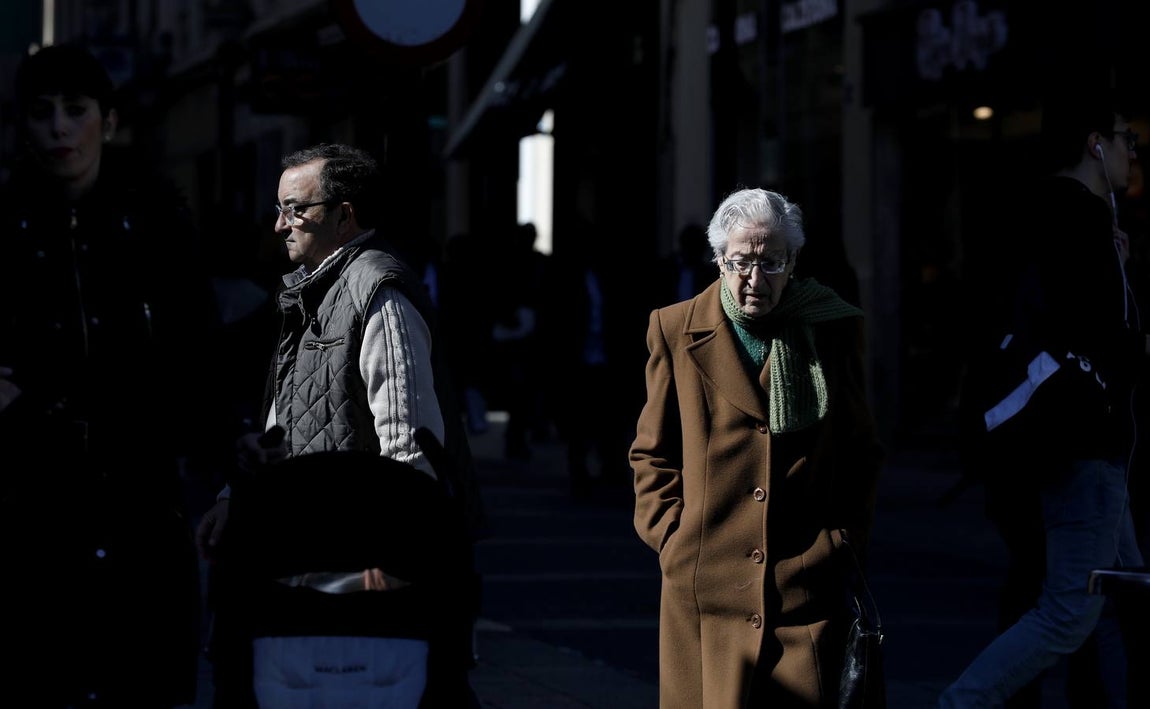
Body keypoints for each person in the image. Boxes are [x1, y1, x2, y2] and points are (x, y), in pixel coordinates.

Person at [195, 143, 484, 708]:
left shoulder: (378, 292)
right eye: (279, 209)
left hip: (365, 565)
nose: (280, 224)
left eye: (295, 209)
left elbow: (411, 444)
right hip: (306, 553)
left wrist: (394, 557)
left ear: (345, 212)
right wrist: (237, 497)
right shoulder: (309, 292)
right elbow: (284, 423)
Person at [0, 43, 220, 707]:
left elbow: (199, 354)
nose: (60, 129)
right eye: (42, 114)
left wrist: (221, 462)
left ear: (110, 121)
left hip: (140, 499)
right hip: (30, 502)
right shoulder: (6, 227)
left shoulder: (156, 223)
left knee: (136, 679)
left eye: (76, 110)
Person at [630, 187, 884, 706]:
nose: (755, 279)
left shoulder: (831, 328)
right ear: (720, 259)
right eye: (742, 261)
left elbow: (860, 448)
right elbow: (652, 451)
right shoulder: (674, 328)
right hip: (705, 586)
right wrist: (672, 537)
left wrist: (842, 542)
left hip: (805, 586)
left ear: (792, 261)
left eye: (771, 262)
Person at [940, 91, 1146, 708]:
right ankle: (961, 703)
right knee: (1069, 613)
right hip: (1084, 440)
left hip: (1053, 436)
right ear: (1095, 143)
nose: (1133, 152)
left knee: (1119, 596)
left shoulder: (1031, 214)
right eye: (1125, 138)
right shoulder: (1081, 219)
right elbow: (1107, 340)